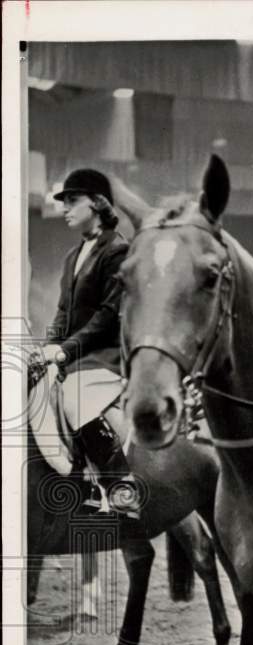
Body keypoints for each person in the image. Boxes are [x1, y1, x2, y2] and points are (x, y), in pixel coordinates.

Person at [39, 167, 138, 517]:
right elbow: (63, 313)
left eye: (72, 200)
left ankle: (120, 485)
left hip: (105, 356)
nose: (65, 208)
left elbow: (107, 315)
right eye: (63, 201)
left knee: (74, 399)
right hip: (77, 356)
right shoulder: (72, 257)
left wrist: (64, 350)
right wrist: (46, 347)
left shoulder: (118, 249)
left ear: (96, 204)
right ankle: (82, 478)